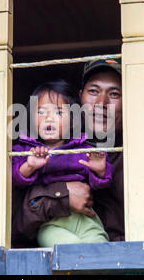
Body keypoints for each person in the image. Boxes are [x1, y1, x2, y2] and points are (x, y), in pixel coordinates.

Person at [12, 59, 124, 247]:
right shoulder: (30, 151)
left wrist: (101, 172)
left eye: (114, 94)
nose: (102, 102)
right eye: (94, 91)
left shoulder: (136, 152)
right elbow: (13, 226)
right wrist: (61, 196)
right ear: (79, 99)